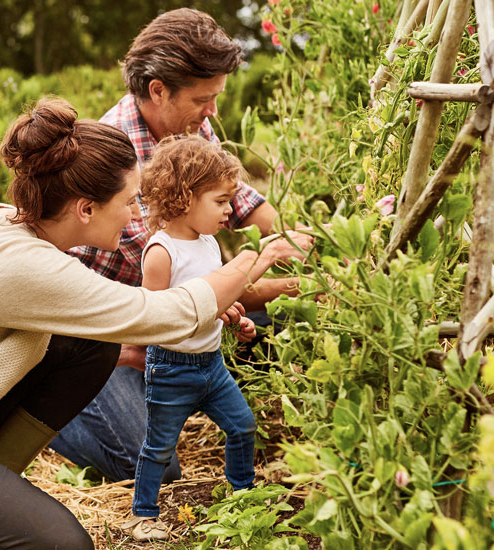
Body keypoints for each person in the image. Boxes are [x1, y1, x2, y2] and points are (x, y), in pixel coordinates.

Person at [0, 98, 311, 549]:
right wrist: (256, 259)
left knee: (88, 346)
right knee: (63, 545)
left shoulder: (0, 221)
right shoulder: (20, 266)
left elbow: (134, 321)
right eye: (130, 201)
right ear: (85, 208)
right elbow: (163, 316)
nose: (138, 215)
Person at [51, 7, 299, 485]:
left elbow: (251, 207)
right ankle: (50, 412)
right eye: (203, 99)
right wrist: (290, 283)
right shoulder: (117, 163)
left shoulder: (185, 128)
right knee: (156, 468)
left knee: (277, 326)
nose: (213, 113)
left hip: (167, 323)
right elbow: (195, 293)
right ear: (158, 90)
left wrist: (305, 243)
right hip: (103, 341)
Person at [125, 136, 271, 542]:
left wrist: (229, 315)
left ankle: (242, 494)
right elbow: (156, 319)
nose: (229, 211)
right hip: (171, 368)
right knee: (160, 447)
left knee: (242, 426)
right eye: (221, 201)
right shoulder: (162, 252)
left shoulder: (208, 243)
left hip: (212, 365)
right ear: (186, 198)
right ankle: (143, 514)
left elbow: (213, 296)